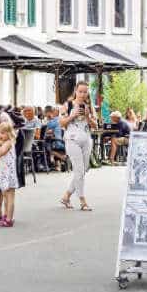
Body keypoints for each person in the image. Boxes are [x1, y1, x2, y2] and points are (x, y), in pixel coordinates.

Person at [59, 80, 98, 211]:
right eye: (80, 91)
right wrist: (72, 116)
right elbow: (62, 123)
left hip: (86, 140)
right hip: (72, 140)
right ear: (76, 91)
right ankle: (82, 200)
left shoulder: (89, 106)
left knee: (83, 170)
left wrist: (87, 116)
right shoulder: (67, 105)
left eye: (85, 92)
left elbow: (95, 126)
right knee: (79, 170)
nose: (82, 94)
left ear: (88, 93)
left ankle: (66, 196)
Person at [0, 118, 19, 227]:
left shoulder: (8, 143)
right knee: (5, 195)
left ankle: (9, 219)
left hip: (8, 173)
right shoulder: (7, 142)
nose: (0, 135)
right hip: (5, 171)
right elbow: (3, 157)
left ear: (9, 133)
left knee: (9, 196)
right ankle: (6, 216)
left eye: (2, 133)